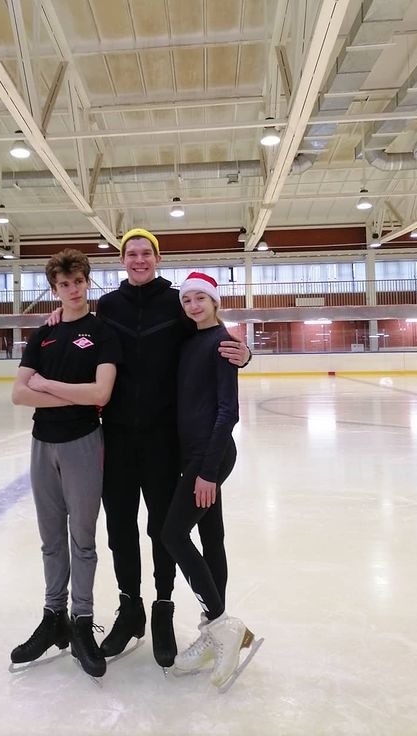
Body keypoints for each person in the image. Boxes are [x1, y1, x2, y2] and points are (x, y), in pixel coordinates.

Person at [93, 229, 251, 670]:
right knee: (120, 527)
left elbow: (212, 337)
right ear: (122, 260)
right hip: (118, 436)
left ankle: (163, 609)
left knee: (162, 529)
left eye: (146, 253)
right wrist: (57, 316)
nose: (139, 260)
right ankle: (130, 609)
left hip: (165, 441)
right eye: (131, 254)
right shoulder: (108, 306)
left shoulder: (176, 303)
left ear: (157, 258)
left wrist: (245, 354)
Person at [9, 249, 121, 679]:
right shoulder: (44, 334)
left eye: (78, 282)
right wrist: (71, 393)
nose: (72, 290)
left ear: (87, 282)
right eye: (64, 285)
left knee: (82, 540)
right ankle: (53, 616)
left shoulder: (102, 332)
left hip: (83, 444)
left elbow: (100, 394)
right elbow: (20, 394)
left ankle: (81, 622)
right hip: (43, 445)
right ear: (55, 289)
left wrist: (48, 385)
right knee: (51, 539)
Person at [161, 271, 262, 692]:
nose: (193, 305)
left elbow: (228, 411)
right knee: (211, 537)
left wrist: (207, 470)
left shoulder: (222, 343)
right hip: (194, 455)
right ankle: (213, 631)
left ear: (215, 301)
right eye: (187, 300)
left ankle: (222, 626)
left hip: (210, 456)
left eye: (201, 298)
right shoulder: (190, 340)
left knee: (172, 534)